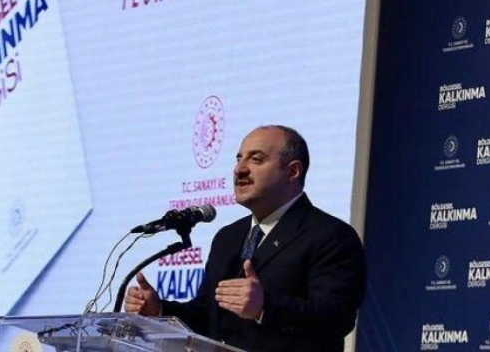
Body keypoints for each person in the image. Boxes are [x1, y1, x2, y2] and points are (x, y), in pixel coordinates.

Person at [124, 125, 366, 351]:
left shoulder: (331, 235)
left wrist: (264, 307)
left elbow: (336, 319)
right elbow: (208, 317)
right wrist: (159, 310)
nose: (239, 169)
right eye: (239, 158)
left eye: (256, 159)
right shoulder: (228, 237)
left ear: (292, 171)